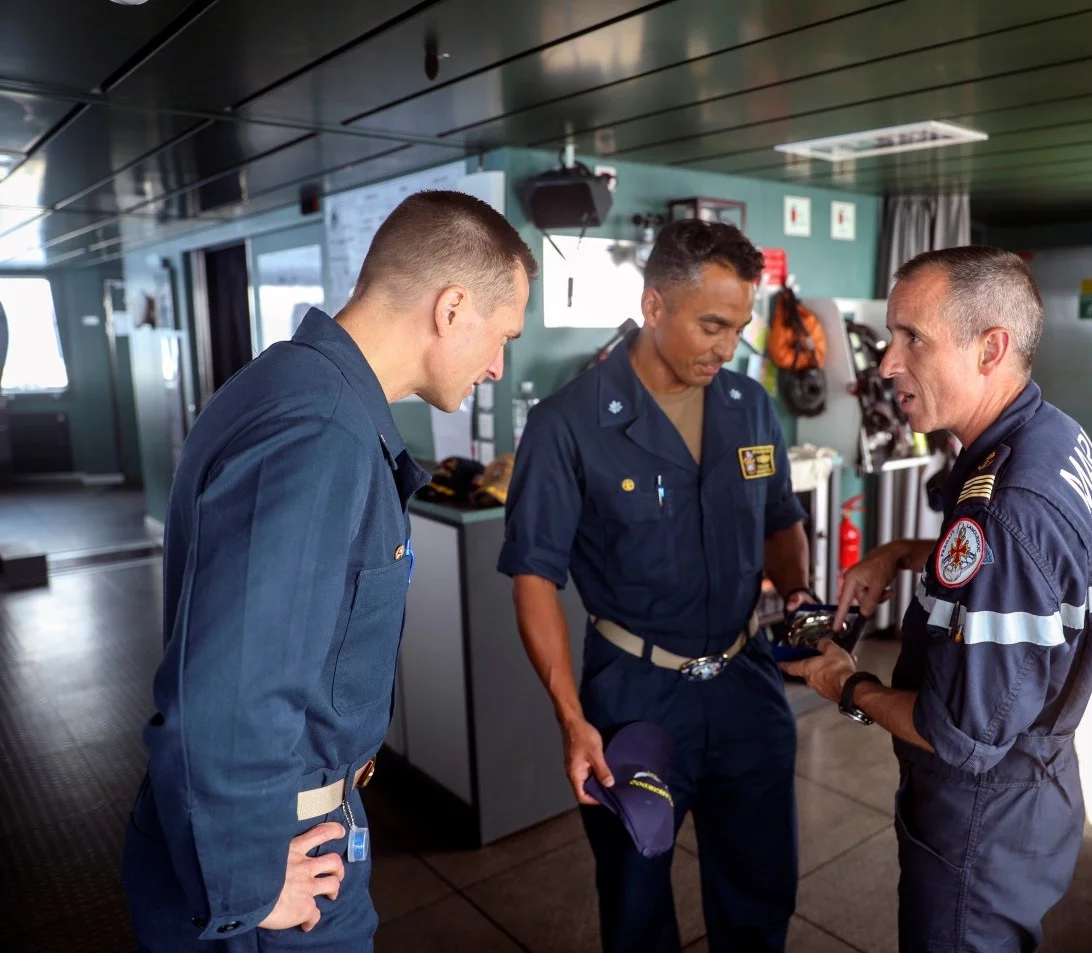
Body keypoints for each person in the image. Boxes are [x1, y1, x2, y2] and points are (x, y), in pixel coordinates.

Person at [122, 191, 536, 951]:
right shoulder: (318, 431)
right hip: (277, 855)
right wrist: (245, 881)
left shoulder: (305, 390)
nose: (498, 363)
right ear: (451, 309)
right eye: (501, 334)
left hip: (289, 825)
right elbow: (235, 689)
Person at [784, 246, 1092, 952]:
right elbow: (1035, 581)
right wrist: (907, 553)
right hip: (1035, 787)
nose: (885, 365)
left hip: (983, 820)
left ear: (991, 347)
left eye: (913, 339)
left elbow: (959, 735)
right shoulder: (1052, 438)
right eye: (889, 336)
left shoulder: (1007, 507)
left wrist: (849, 685)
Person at [499, 219, 814, 953]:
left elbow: (780, 517)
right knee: (637, 905)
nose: (725, 347)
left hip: (745, 684)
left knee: (762, 889)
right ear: (653, 305)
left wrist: (801, 603)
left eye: (737, 328)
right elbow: (534, 577)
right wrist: (571, 717)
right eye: (711, 324)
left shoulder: (749, 406)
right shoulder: (567, 424)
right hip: (635, 695)